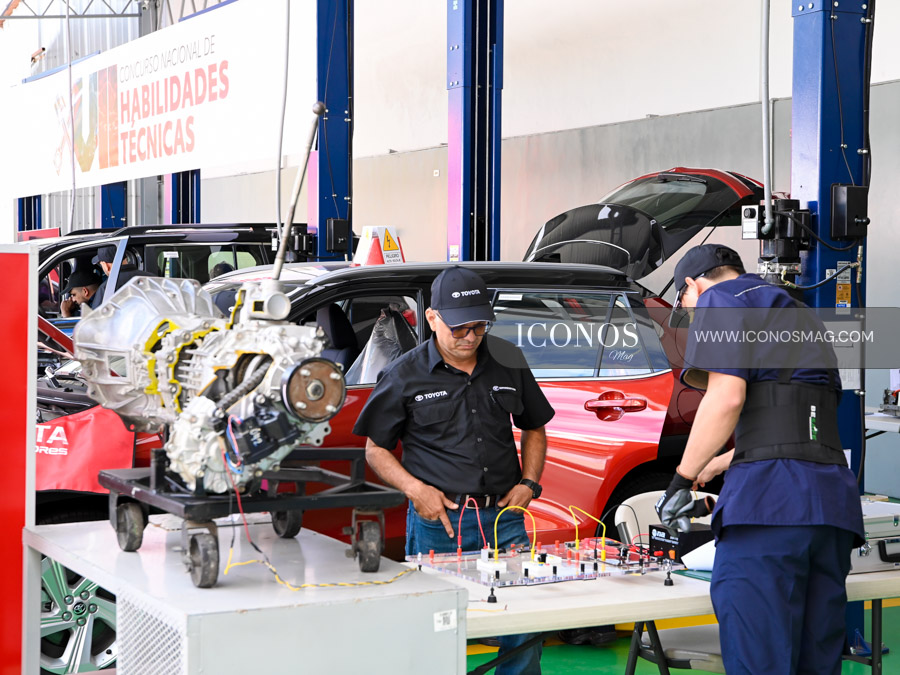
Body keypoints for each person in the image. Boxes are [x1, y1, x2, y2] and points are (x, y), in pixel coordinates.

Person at [656, 244, 865, 675]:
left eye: (684, 305)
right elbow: (795, 417)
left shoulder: (721, 300)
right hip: (830, 510)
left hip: (770, 511)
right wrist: (722, 461)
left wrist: (682, 477)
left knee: (760, 659)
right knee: (816, 661)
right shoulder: (800, 313)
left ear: (694, 285)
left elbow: (726, 397)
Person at [353, 266, 554, 675]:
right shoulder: (404, 373)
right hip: (439, 522)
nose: (470, 337)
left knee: (523, 626)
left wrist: (530, 483)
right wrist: (416, 491)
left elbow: (534, 424)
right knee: (435, 628)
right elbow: (376, 450)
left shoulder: (507, 360)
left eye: (479, 327)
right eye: (459, 327)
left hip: (504, 520)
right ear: (432, 318)